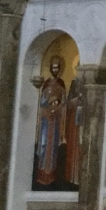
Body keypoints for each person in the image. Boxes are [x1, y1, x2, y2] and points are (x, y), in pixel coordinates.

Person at [34, 57, 67, 188]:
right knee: (44, 145)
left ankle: (51, 175)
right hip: (46, 120)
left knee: (53, 147)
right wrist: (48, 108)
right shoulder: (46, 83)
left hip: (55, 120)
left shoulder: (61, 84)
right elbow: (42, 102)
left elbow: (63, 102)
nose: (55, 70)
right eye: (53, 67)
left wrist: (56, 108)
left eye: (57, 68)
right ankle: (42, 174)